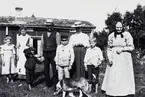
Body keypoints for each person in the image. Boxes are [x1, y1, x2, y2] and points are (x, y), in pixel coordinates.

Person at [101, 21, 135, 97]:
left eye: (120, 27)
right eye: (117, 27)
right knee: (113, 74)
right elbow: (109, 48)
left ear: (122, 27)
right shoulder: (111, 36)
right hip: (114, 57)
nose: (119, 29)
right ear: (115, 28)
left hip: (124, 57)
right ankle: (113, 91)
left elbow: (132, 47)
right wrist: (109, 58)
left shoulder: (127, 35)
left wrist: (123, 49)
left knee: (123, 74)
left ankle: (124, 91)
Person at [40, 19, 60, 87]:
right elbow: (42, 44)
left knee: (54, 69)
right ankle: (48, 84)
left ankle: (55, 84)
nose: (49, 27)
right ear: (46, 26)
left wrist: (57, 55)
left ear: (52, 26)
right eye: (47, 26)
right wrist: (41, 55)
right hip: (45, 53)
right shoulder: (43, 34)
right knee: (46, 69)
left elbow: (58, 46)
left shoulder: (56, 33)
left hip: (53, 53)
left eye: (50, 26)